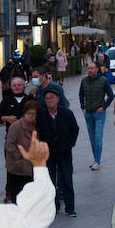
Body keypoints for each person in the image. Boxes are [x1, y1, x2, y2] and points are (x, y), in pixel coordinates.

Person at [37, 88, 79, 217]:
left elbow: (75, 129)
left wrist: (70, 143)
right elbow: (38, 132)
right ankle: (53, 206)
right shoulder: (42, 115)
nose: (50, 100)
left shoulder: (66, 113)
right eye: (47, 98)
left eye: (52, 97)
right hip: (48, 154)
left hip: (64, 152)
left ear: (58, 99)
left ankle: (70, 207)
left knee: (67, 180)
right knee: (50, 181)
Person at [78, 60, 115, 171]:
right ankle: (95, 159)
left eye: (92, 68)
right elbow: (81, 94)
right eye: (88, 68)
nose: (90, 70)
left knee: (98, 138)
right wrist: (82, 107)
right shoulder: (84, 81)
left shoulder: (103, 80)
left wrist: (104, 107)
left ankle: (97, 161)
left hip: (99, 113)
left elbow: (111, 95)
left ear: (97, 69)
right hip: (88, 113)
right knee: (92, 138)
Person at [4, 99, 40, 201]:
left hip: (32, 168)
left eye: (34, 114)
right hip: (17, 168)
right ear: (24, 113)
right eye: (29, 113)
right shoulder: (15, 126)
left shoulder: (37, 126)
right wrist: (22, 156)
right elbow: (9, 146)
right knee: (18, 196)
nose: (31, 116)